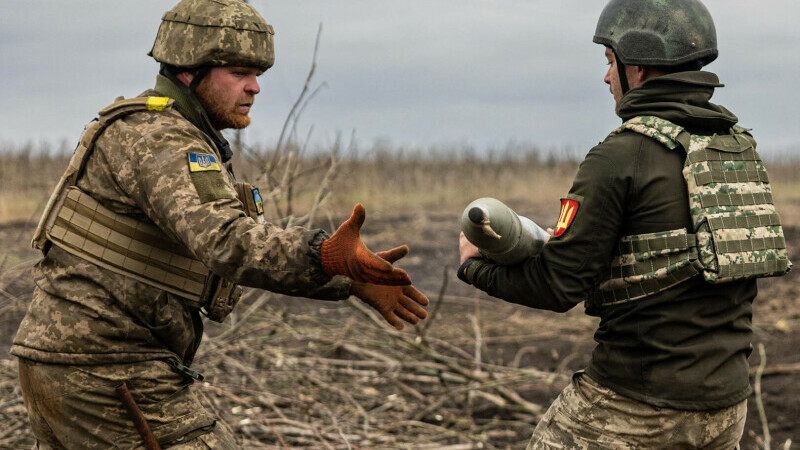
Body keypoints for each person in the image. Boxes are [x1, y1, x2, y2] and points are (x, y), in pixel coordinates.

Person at [11, 0, 429, 448]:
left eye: (258, 75)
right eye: (239, 73)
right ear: (189, 71)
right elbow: (227, 242)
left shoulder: (162, 130)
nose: (255, 87)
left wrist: (347, 278)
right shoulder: (163, 139)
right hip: (106, 368)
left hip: (80, 360)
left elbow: (208, 252)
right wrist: (324, 256)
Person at [458, 0, 790, 448]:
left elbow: (556, 286)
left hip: (634, 406)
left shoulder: (619, 156)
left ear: (637, 66)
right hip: (726, 409)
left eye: (609, 61)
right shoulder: (739, 149)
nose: (606, 77)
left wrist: (474, 267)